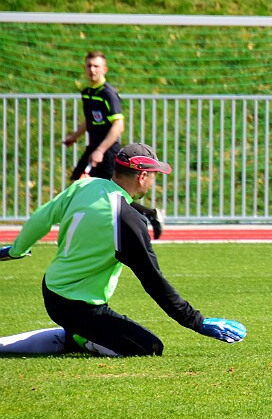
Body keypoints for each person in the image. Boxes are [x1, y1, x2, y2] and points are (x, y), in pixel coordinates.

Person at [0, 143, 246, 356]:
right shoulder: (126, 220)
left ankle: (75, 333)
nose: (153, 181)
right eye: (154, 175)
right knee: (150, 347)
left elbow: (41, 218)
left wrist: (16, 251)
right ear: (142, 176)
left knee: (99, 328)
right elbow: (153, 281)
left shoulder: (85, 186)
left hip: (52, 288)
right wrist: (198, 322)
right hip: (79, 306)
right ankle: (78, 338)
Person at [63, 51, 165, 239]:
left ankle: (147, 217)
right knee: (81, 185)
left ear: (105, 69)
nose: (92, 69)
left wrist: (101, 150)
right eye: (89, 66)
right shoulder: (88, 93)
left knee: (114, 194)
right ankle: (91, 228)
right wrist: (74, 136)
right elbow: (89, 120)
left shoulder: (107, 93)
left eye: (96, 66)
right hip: (94, 149)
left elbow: (118, 125)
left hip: (108, 151)